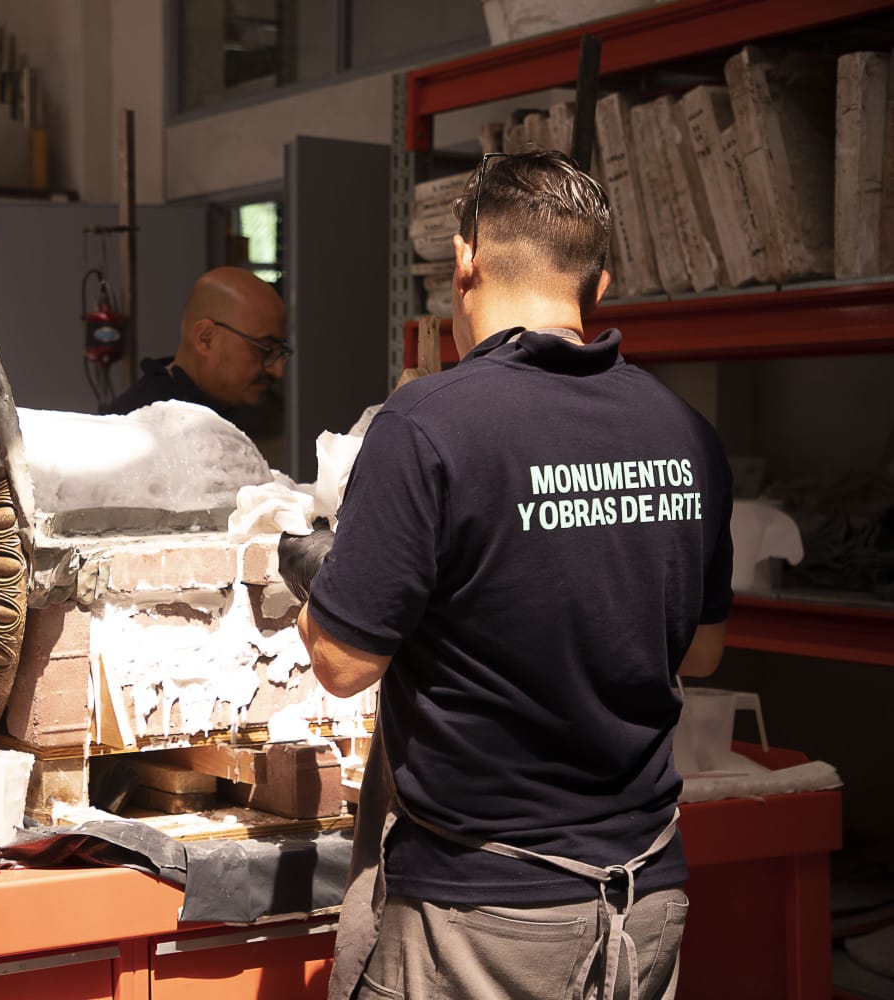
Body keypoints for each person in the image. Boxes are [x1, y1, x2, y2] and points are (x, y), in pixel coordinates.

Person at [291, 151, 734, 1000]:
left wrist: (326, 579)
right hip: (644, 901)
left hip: (483, 917)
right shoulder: (685, 430)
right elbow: (704, 652)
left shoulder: (428, 424)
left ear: (464, 260)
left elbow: (343, 665)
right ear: (599, 280)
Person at [107, 266, 289, 416]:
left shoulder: (239, 409)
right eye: (264, 349)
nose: (278, 370)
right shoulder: (143, 429)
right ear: (206, 339)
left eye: (280, 352)